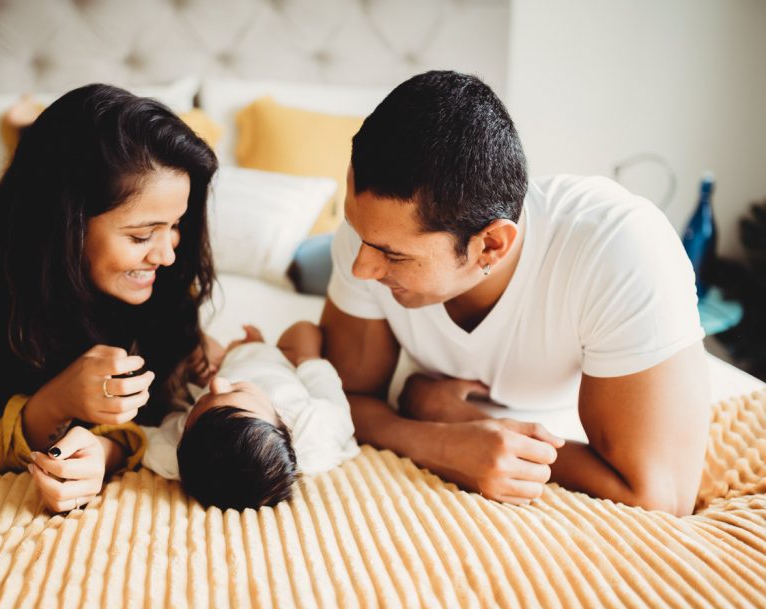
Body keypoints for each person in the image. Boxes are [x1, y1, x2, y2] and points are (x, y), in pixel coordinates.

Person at [321, 71, 709, 515]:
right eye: (358, 233)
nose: (362, 268)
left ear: (491, 245)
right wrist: (435, 441)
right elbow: (337, 398)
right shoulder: (371, 231)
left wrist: (460, 421)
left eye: (393, 256)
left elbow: (661, 496)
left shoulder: (621, 248)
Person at [0, 84, 219, 513]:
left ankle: (22, 132)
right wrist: (57, 401)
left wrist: (108, 450)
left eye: (175, 225)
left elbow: (162, 358)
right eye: (140, 235)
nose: (167, 253)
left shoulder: (160, 247)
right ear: (66, 225)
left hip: (35, 214)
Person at [138, 321, 360, 510]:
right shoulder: (315, 431)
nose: (218, 384)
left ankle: (240, 350)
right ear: (283, 423)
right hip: (281, 360)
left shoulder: (185, 455)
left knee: (195, 347)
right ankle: (260, 345)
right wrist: (308, 361)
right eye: (238, 392)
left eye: (202, 402)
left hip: (225, 362)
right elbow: (330, 394)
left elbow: (141, 438)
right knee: (303, 329)